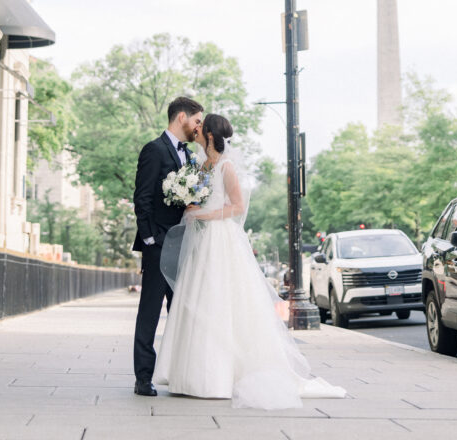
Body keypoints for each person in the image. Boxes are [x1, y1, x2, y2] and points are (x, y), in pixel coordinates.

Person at [154, 113, 346, 409]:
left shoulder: (226, 167)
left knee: (220, 301)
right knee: (197, 300)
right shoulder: (201, 165)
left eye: (201, 126)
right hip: (200, 241)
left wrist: (203, 213)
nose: (196, 128)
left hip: (219, 241)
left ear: (210, 134)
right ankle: (188, 375)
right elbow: (200, 198)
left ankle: (218, 376)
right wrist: (190, 203)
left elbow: (237, 206)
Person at [132, 95, 204, 396]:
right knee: (150, 311)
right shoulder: (154, 150)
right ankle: (143, 378)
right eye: (197, 121)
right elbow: (143, 198)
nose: (199, 128)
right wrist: (151, 239)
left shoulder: (188, 156)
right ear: (181, 118)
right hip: (159, 245)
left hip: (183, 246)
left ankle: (177, 374)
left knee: (180, 312)